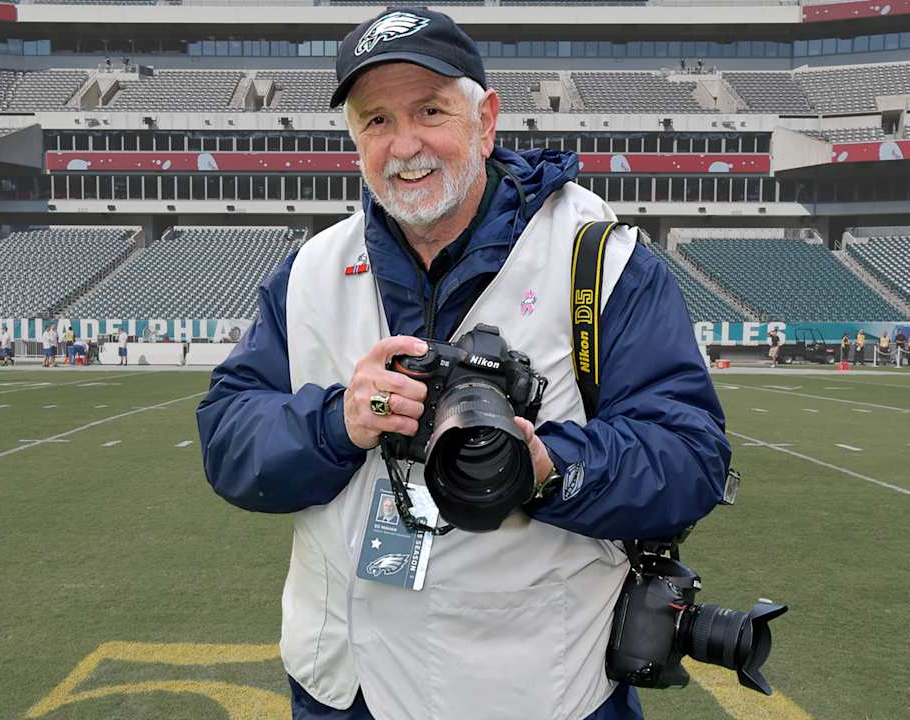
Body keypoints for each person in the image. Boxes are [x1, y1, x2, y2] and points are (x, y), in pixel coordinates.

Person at [196, 10, 730, 720]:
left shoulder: (597, 261)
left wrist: (548, 465)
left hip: (534, 689)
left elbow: (692, 457)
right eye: (375, 120)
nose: (405, 145)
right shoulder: (309, 272)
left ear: (486, 121)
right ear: (353, 138)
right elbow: (229, 440)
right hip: (343, 686)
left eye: (430, 111)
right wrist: (336, 422)